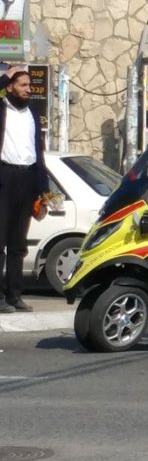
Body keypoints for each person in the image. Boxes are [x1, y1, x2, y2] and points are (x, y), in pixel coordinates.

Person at [0, 65, 49, 314]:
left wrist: (45, 190)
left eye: (30, 85)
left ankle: (14, 295)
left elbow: (38, 153)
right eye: (23, 85)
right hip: (4, 177)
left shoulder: (32, 112)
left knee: (18, 244)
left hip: (27, 179)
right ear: (10, 87)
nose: (29, 89)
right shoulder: (2, 109)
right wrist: (6, 75)